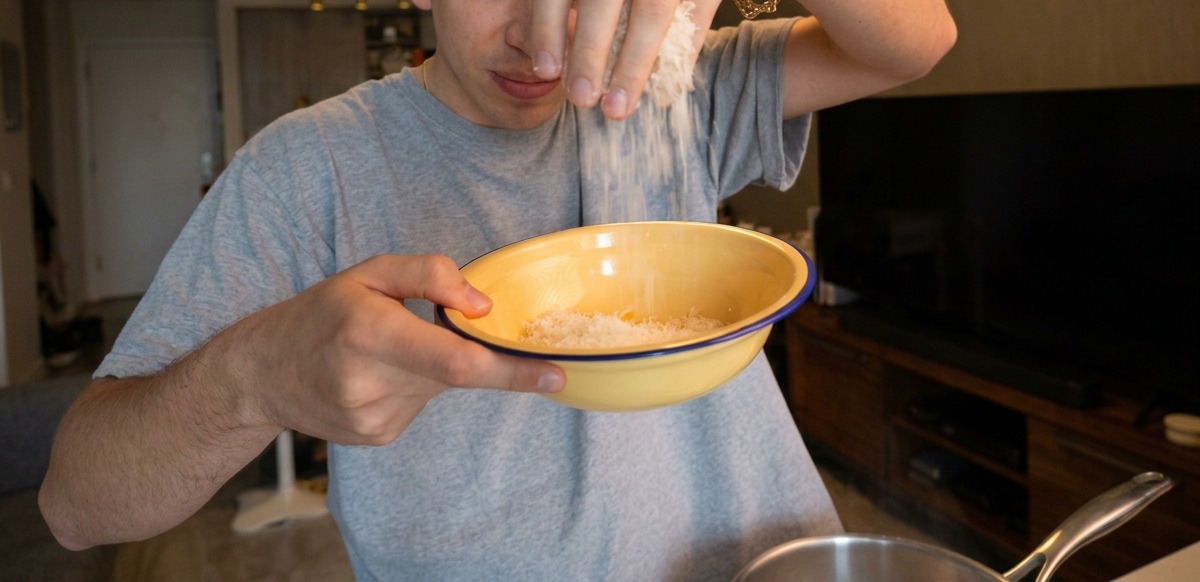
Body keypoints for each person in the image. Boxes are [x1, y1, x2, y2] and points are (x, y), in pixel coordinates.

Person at [40, 0, 956, 579]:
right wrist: (253, 377)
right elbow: (77, 506)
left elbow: (917, 41)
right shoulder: (309, 169)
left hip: (774, 565)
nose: (540, 33)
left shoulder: (677, 89)